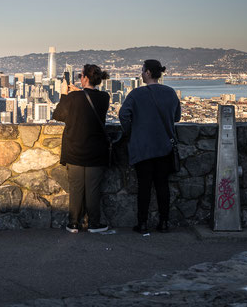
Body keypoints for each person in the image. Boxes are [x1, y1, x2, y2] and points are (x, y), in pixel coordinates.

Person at [119, 59, 181, 234]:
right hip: (164, 148)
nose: (140, 73)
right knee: (162, 186)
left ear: (147, 73)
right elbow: (176, 118)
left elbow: (123, 115)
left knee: (144, 187)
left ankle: (143, 223)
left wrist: (132, 131)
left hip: (143, 148)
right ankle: (164, 223)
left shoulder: (136, 94)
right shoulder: (170, 93)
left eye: (142, 70)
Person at [52, 64, 110, 234]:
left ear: (84, 78)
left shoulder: (73, 98)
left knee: (76, 188)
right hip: (96, 151)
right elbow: (89, 102)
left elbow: (58, 115)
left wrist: (64, 93)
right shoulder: (104, 98)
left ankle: (73, 223)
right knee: (93, 189)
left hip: (74, 150)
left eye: (80, 76)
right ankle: (93, 223)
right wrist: (80, 92)